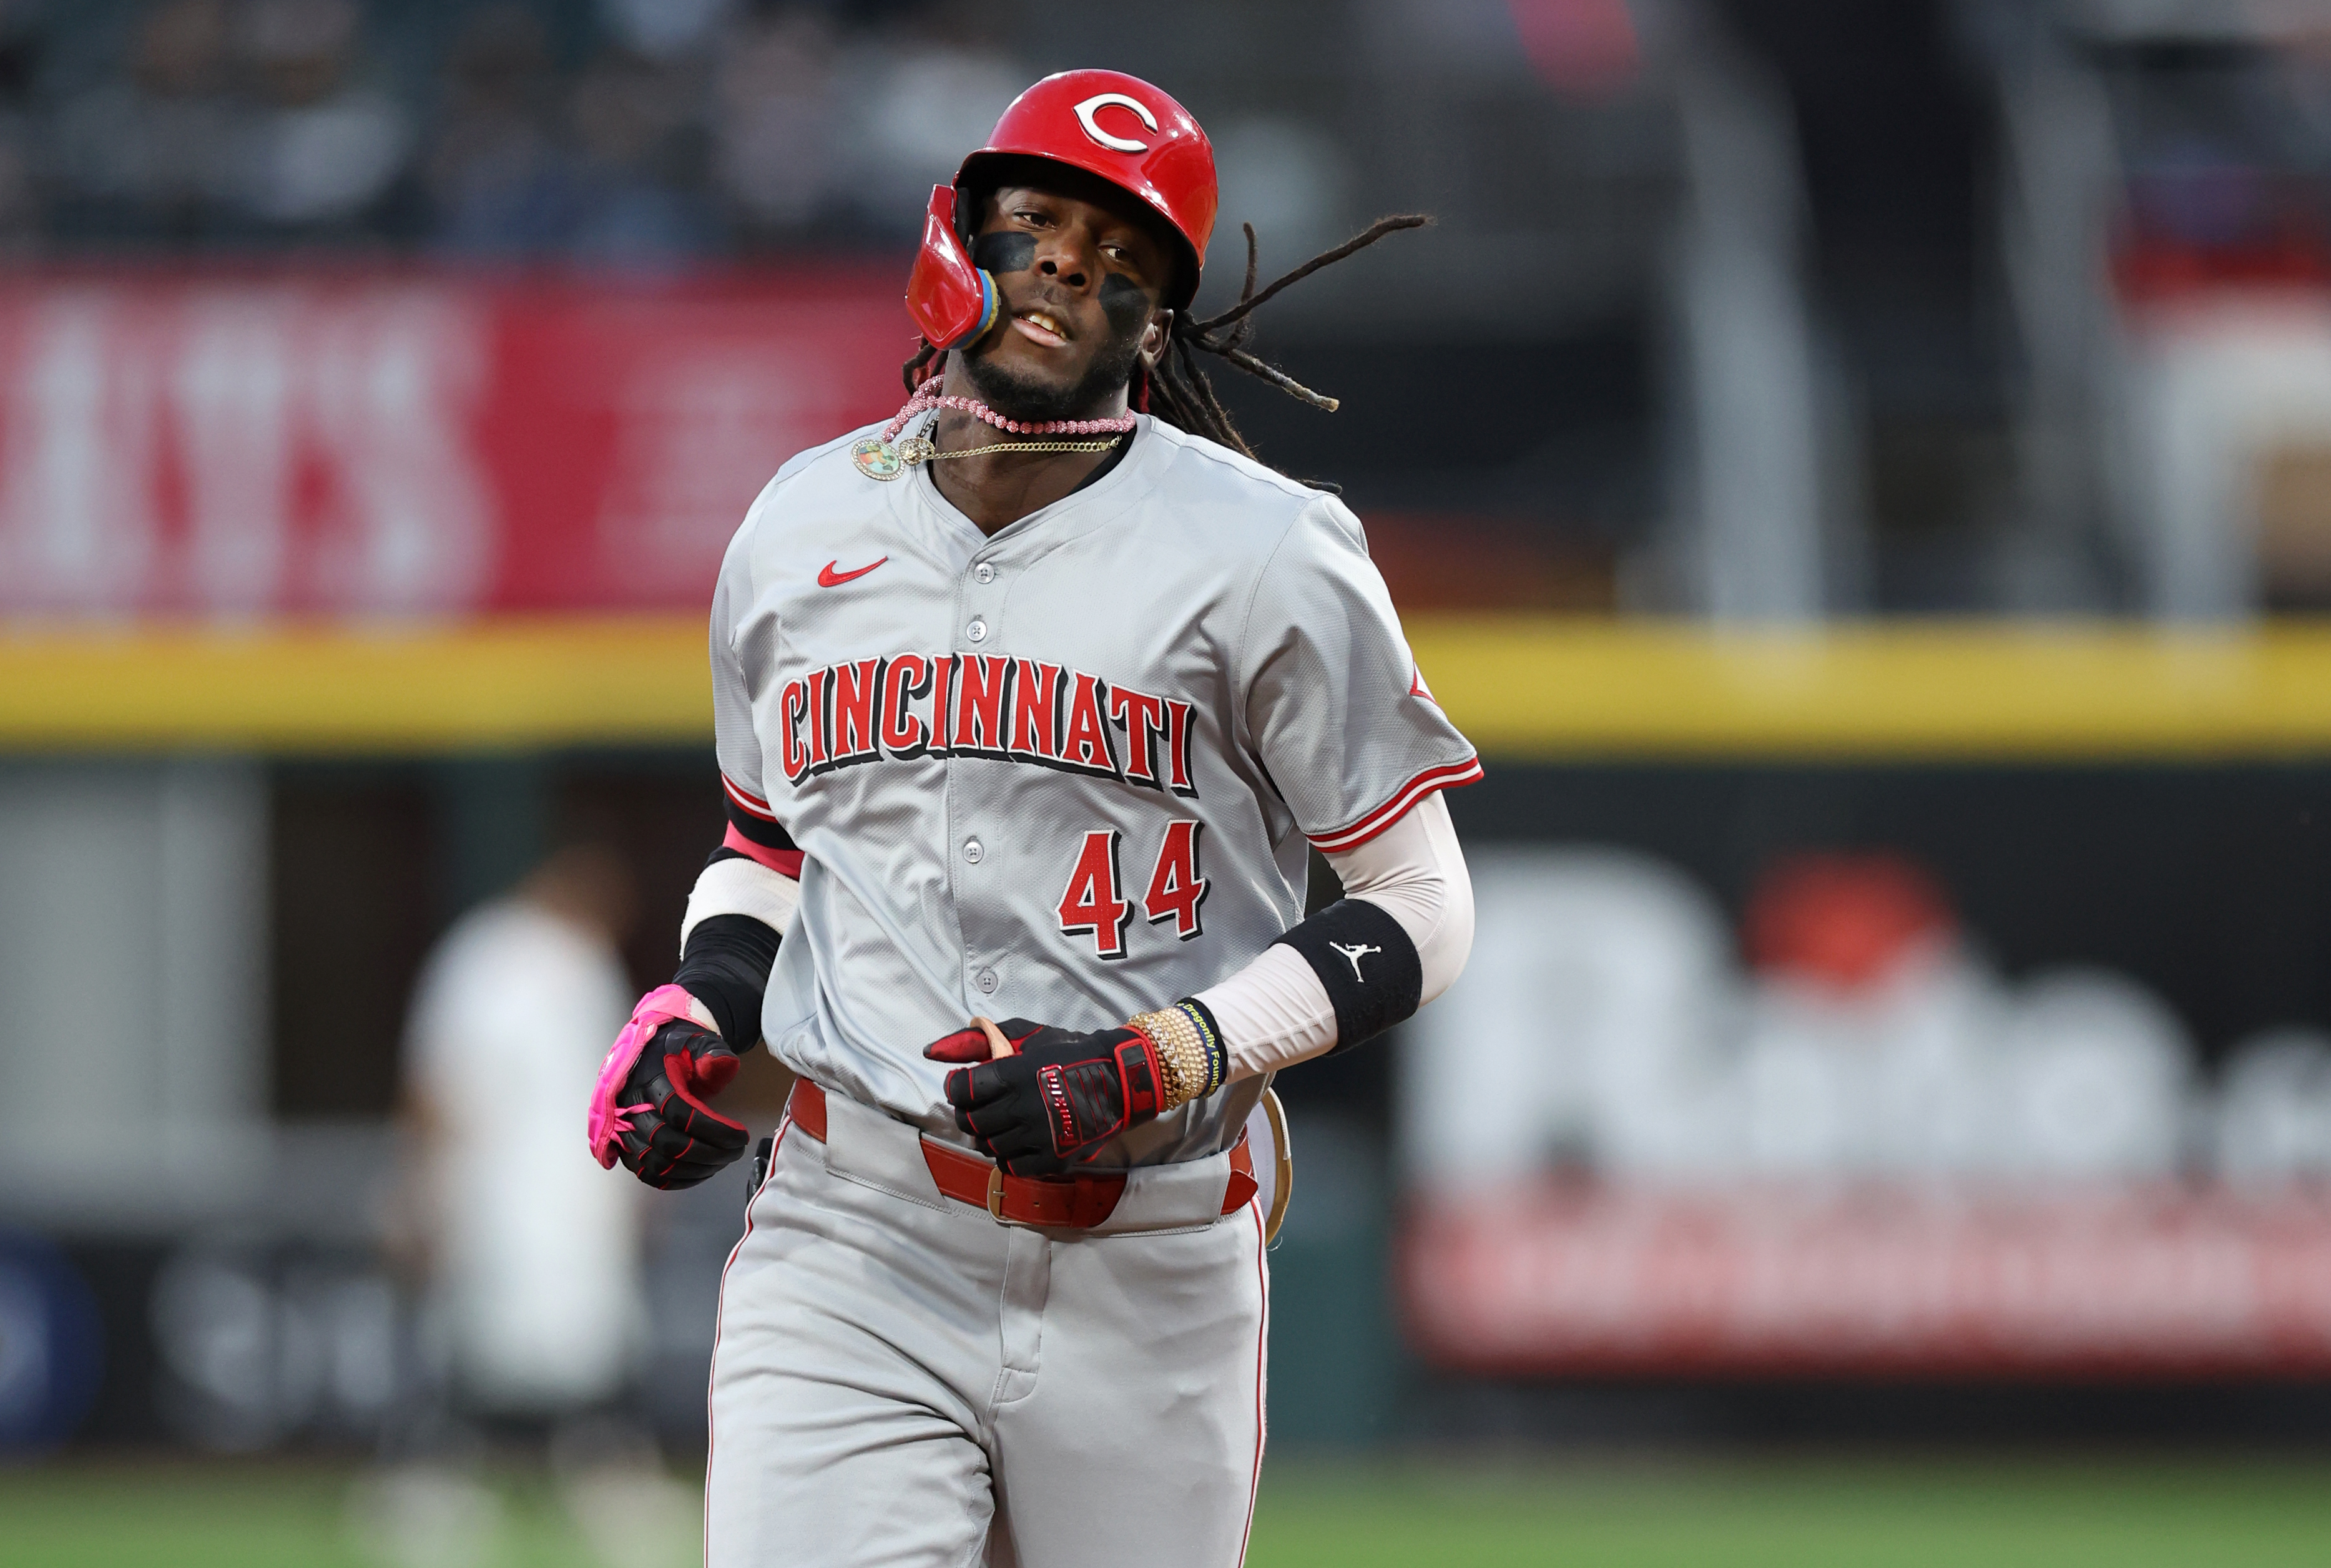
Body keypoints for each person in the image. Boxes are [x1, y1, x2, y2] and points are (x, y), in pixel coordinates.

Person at [586, 69, 1478, 1567]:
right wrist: (707, 997)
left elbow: (1423, 904)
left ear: (1163, 319)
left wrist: (1164, 1056)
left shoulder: (1267, 550)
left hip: (1149, 1248)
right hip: (850, 1228)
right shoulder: (800, 524)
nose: (1074, 262)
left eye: (1126, 252)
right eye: (1041, 221)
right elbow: (768, 850)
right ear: (961, 235)